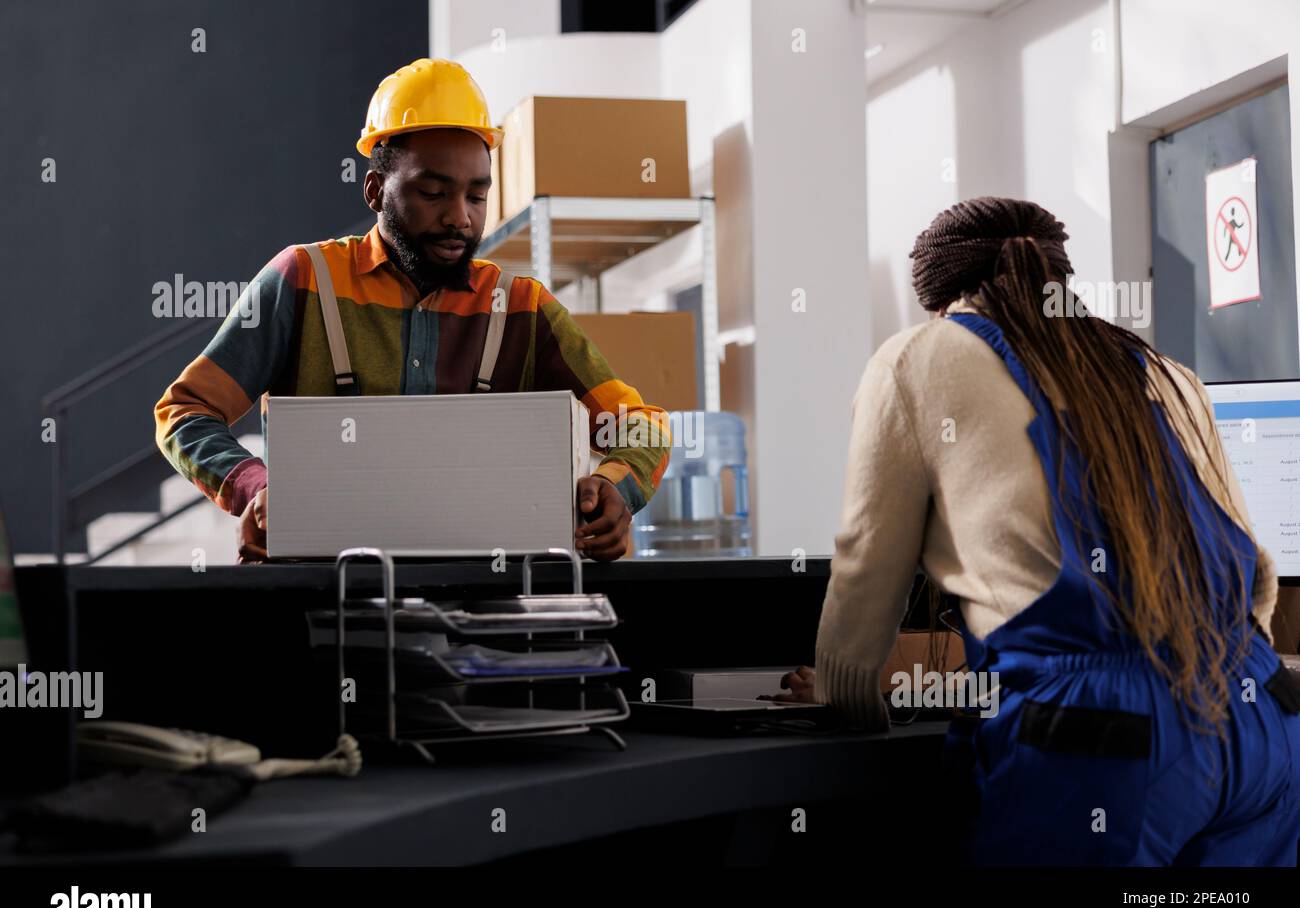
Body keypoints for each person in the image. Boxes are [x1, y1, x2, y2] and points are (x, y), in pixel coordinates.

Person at [776, 197, 1300, 865]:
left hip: (1103, 739)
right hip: (1263, 713)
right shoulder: (1162, 369)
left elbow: (867, 564)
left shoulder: (920, 356)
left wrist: (845, 691)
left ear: (941, 301)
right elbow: (1255, 577)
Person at [154, 59, 669, 563]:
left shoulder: (521, 307)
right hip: (321, 600)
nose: (459, 218)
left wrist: (614, 487)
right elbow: (183, 413)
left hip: (479, 602)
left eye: (476, 195)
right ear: (376, 190)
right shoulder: (303, 281)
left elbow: (640, 425)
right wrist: (258, 489)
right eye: (433, 192)